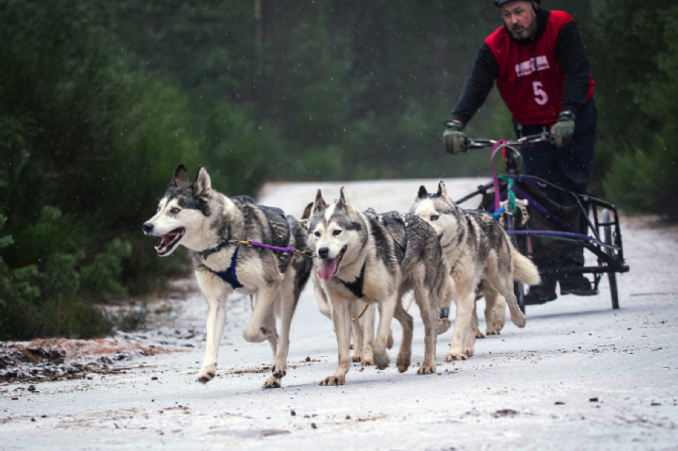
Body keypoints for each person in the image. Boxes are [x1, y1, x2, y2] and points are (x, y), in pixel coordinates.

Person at [443, 0, 598, 304]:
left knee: (570, 187)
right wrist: (456, 123)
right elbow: (476, 85)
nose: (513, 20)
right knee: (538, 195)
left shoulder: (560, 26)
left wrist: (567, 115)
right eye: (506, 15)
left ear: (535, 7)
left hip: (574, 118)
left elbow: (577, 73)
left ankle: (571, 269)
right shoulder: (495, 46)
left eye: (519, 12)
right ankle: (545, 277)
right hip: (531, 124)